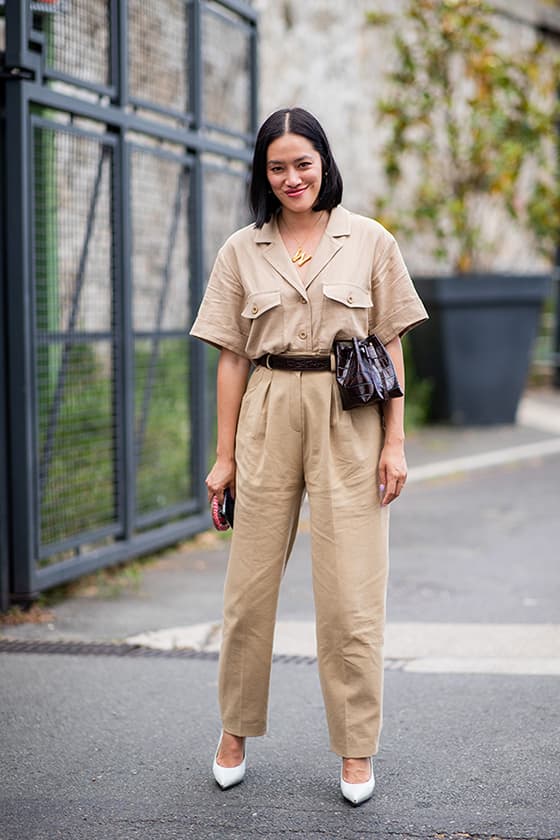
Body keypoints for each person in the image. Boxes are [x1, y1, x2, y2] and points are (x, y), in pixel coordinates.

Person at [190, 107, 428, 805]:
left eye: (303, 163)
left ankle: (356, 749)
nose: (292, 178)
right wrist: (223, 455)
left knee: (352, 593)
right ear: (262, 174)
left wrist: (396, 441)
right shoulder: (241, 249)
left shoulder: (370, 240)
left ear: (324, 162)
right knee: (248, 592)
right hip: (267, 407)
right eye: (277, 167)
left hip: (347, 415)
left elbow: (390, 344)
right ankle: (234, 731)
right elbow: (232, 357)